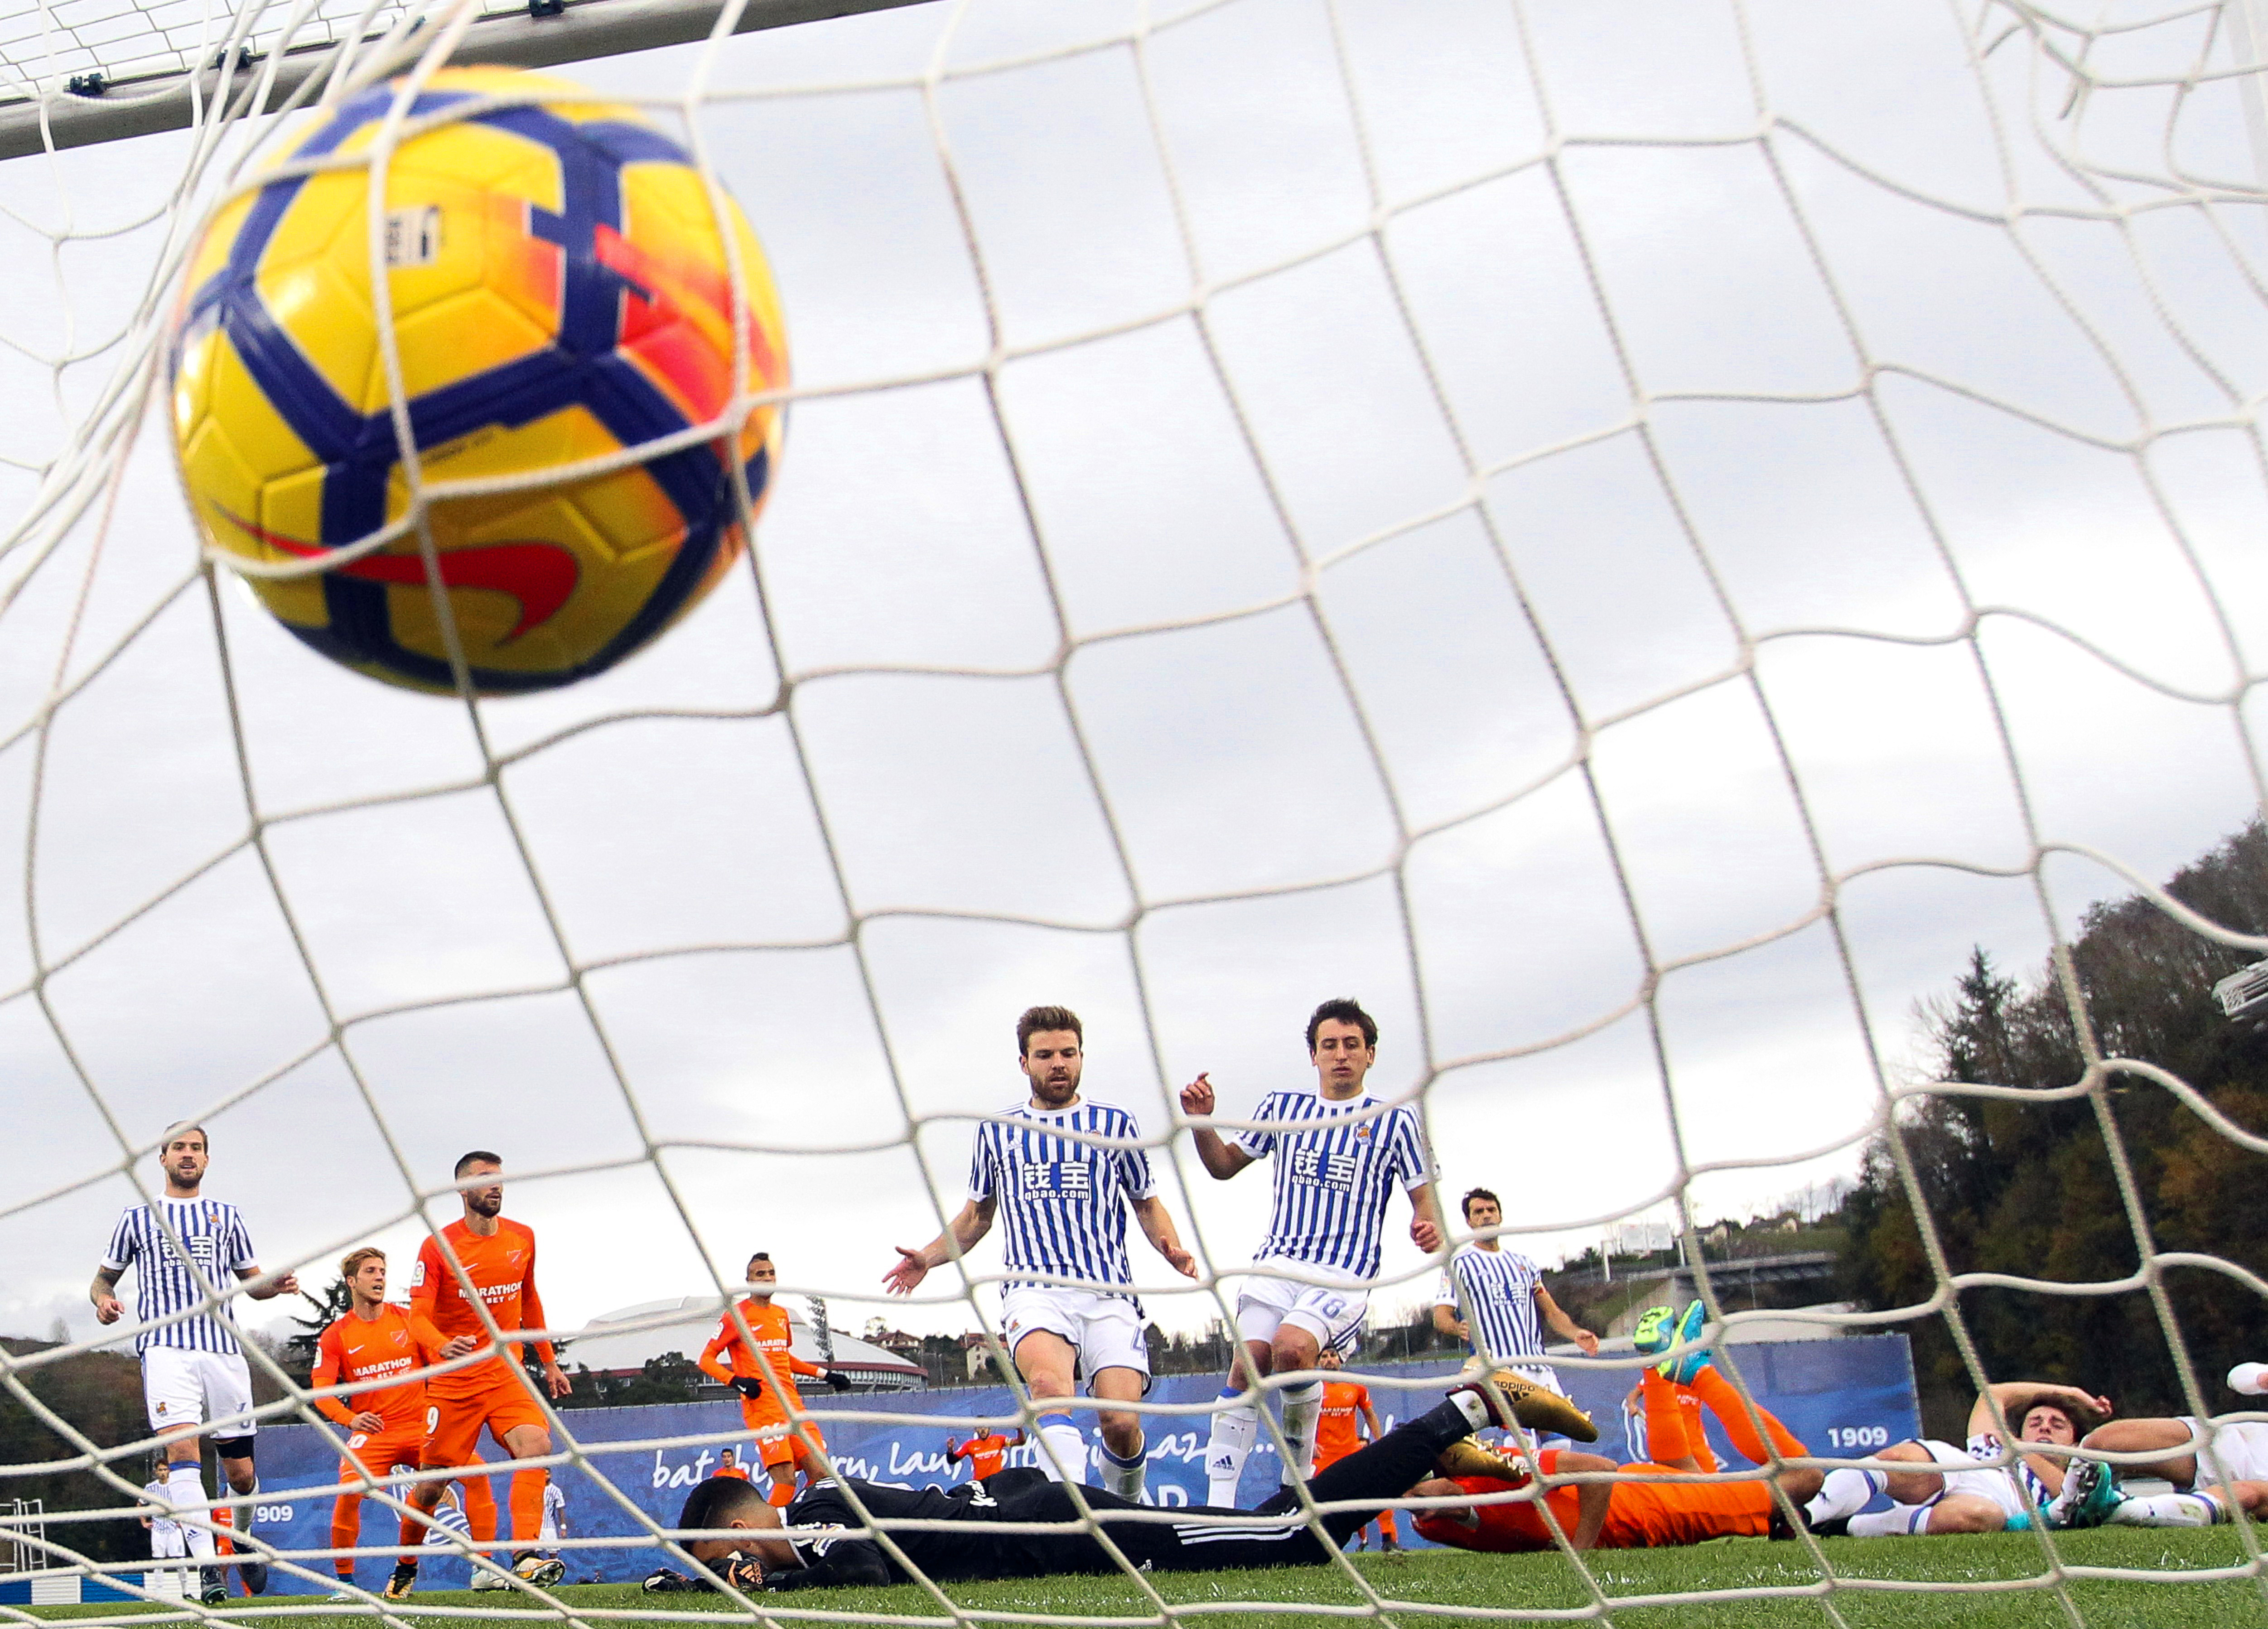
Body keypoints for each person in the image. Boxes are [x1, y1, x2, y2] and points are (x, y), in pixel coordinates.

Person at [642, 1369, 1593, 1592]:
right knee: (1280, 1535)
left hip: (1059, 1527)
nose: (733, 1573)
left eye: (723, 1557)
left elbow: (857, 1568)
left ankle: (1463, 1409)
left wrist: (766, 1584)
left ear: (744, 1530)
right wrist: (695, 1585)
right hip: (1033, 1512)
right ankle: (1439, 1453)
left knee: (1285, 1537)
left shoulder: (808, 1524)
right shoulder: (810, 1512)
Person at [887, 1006, 1197, 1499]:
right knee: (1051, 1391)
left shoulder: (1115, 1123)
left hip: (1109, 1293)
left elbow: (1146, 1202)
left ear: (1081, 1057)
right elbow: (976, 1217)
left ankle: (1125, 1512)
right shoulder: (998, 1131)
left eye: (1068, 1053)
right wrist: (928, 1256)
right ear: (1024, 1062)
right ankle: (1070, 1517)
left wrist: (1172, 1249)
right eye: (1045, 1054)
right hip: (1034, 1292)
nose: (1058, 1063)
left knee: (1120, 1424)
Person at [1179, 998, 1444, 1503]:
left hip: (1342, 1272)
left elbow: (1424, 1201)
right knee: (1249, 1363)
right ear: (1313, 1054)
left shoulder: (1396, 1120)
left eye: (1351, 1044)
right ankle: (1219, 1506)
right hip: (1277, 1262)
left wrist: (1427, 1226)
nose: (1340, 1054)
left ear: (1370, 1054)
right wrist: (1201, 1122)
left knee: (1292, 1350)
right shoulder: (1283, 1109)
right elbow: (1223, 1166)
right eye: (1330, 1045)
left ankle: (1297, 1478)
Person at [90, 1122, 298, 1604]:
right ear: (162, 1157)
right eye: (180, 1147)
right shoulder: (137, 1218)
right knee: (184, 1456)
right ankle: (208, 1568)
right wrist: (103, 1301)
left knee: (241, 1473)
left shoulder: (226, 1216)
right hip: (165, 1349)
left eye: (197, 1148)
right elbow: (102, 1280)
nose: (188, 1154)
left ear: (207, 1159)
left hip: (223, 1351)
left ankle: (242, 1539)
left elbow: (252, 1284)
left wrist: (275, 1285)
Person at [1412, 1336, 1819, 1552]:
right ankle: (1657, 1363)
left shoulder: (1494, 1464)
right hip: (1644, 1496)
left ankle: (1698, 1375)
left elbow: (1599, 1471)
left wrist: (1580, 1549)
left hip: (1644, 1509)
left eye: (1418, 1490)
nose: (1416, 1502)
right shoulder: (1432, 1524)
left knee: (1806, 1477)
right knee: (1691, 1472)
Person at [395, 1150, 572, 1598]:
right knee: (431, 1486)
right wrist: (440, 1345)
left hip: (507, 1373)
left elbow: (529, 1299)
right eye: (485, 1177)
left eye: (500, 1177)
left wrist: (549, 1361)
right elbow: (417, 1316)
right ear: (462, 1189)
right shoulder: (438, 1246)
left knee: (536, 1446)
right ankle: (405, 1565)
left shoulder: (522, 1236)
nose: (496, 1184)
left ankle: (524, 1556)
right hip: (454, 1382)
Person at [309, 1246, 469, 1598]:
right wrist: (351, 1419)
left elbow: (440, 1366)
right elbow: (322, 1392)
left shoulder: (409, 1320)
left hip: (420, 1428)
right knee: (349, 1493)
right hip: (376, 1433)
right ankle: (344, 1584)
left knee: (478, 1474)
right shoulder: (337, 1335)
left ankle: (484, 1567)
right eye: (370, 1271)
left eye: (382, 1271)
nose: (379, 1277)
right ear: (352, 1282)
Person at [1805, 1381, 2110, 1537]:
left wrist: (2023, 1449)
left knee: (1977, 1517)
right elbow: (1994, 1394)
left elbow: (2069, 1498)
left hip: (2001, 1502)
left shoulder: (2077, 1474)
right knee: (1899, 1459)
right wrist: (2072, 1393)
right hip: (1965, 1467)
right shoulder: (1993, 1441)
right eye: (2035, 1422)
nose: (2044, 1427)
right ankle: (1805, 1517)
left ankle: (1845, 1526)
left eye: (2057, 1425)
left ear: (2075, 1442)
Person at [697, 1253, 851, 1509]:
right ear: (749, 1281)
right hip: (764, 1408)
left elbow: (782, 1357)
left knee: (822, 1475)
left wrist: (826, 1375)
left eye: (771, 1273)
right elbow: (706, 1359)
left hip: (793, 1405)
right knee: (786, 1480)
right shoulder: (736, 1316)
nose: (767, 1278)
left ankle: (807, 1522)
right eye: (761, 1274)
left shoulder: (781, 1314)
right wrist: (737, 1381)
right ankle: (768, 1532)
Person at [2050, 1364, 2268, 1529]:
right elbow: (2238, 1377)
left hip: (2260, 1482)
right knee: (2105, 1442)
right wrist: (2263, 1379)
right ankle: (2060, 1512)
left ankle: (2119, 1509)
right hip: (2236, 1444)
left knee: (2246, 1496)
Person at [1430, 1188, 1597, 1401]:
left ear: (1500, 1216)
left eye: (1491, 1210)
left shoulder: (1524, 1264)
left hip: (1539, 1369)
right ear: (1469, 1221)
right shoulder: (1459, 1265)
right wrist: (1456, 1328)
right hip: (1498, 1372)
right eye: (1479, 1212)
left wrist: (1575, 1333)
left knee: (1567, 1424)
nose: (1486, 1216)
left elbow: (1552, 1312)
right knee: (1514, 1426)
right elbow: (1441, 1316)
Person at [1313, 1348, 1398, 1552]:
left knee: (1377, 1490)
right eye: (1324, 1357)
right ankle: (1323, 1545)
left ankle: (1389, 1539)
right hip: (1323, 1455)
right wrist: (1309, 1443)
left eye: (1333, 1355)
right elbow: (1301, 1419)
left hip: (1350, 1450)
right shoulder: (1313, 1388)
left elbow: (1369, 1414)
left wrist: (1380, 1442)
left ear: (1340, 1359)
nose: (1329, 1360)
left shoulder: (1355, 1386)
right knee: (1319, 1501)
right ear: (1318, 1362)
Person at [138, 1457, 187, 1588]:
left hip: (174, 1528)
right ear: (156, 1472)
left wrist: (183, 1520)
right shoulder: (151, 1488)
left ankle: (186, 1591)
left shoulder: (176, 1485)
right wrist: (144, 1522)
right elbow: (140, 1504)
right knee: (159, 1563)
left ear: (169, 1471)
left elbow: (185, 1503)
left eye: (165, 1470)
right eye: (160, 1470)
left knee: (181, 1562)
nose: (163, 1473)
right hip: (158, 1528)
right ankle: (159, 1592)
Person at [946, 1427, 1026, 1481]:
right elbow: (952, 1460)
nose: (983, 1430)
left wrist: (1020, 1429)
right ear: (976, 1430)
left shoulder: (999, 1440)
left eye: (985, 1427)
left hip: (997, 1481)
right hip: (981, 1483)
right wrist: (950, 1449)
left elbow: (1021, 1442)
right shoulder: (970, 1445)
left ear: (990, 1429)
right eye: (980, 1428)